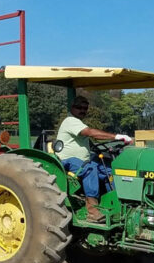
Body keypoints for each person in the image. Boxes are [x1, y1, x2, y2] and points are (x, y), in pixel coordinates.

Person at [56, 95, 132, 223]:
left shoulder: (79, 123)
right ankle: (92, 209)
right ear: (72, 107)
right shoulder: (70, 121)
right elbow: (90, 132)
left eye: (85, 108)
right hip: (67, 160)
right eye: (79, 107)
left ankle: (117, 202)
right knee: (90, 169)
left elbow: (91, 140)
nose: (82, 110)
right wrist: (117, 136)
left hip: (82, 159)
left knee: (107, 168)